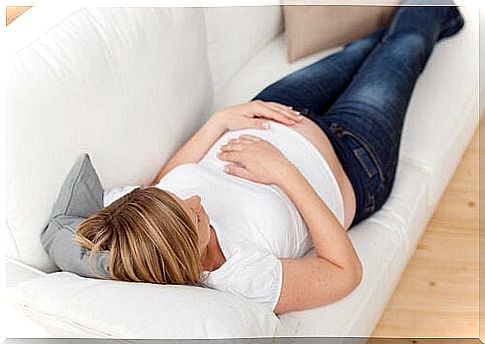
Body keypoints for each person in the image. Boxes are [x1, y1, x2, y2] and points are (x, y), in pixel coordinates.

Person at [75, 2, 465, 315]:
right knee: (404, 48)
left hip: (276, 111)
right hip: (352, 157)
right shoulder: (242, 276)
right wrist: (283, 171)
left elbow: (166, 180)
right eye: (195, 216)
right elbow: (345, 273)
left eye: (181, 198)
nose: (195, 200)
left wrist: (219, 122)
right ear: (190, 258)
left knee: (360, 50)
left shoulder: (139, 226)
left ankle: (429, 21)